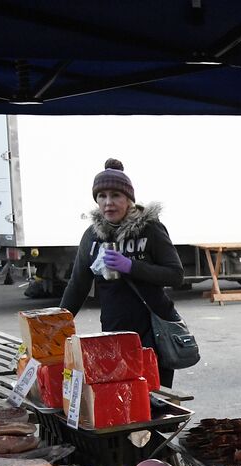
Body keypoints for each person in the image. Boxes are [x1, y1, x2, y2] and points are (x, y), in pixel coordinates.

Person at [59, 158, 185, 388]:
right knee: (124, 398)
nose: (109, 203)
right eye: (102, 196)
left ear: (128, 199)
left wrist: (131, 267)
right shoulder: (92, 237)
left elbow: (175, 275)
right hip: (114, 333)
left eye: (116, 195)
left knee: (156, 400)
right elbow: (78, 286)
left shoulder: (150, 229)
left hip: (154, 332)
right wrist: (56, 325)